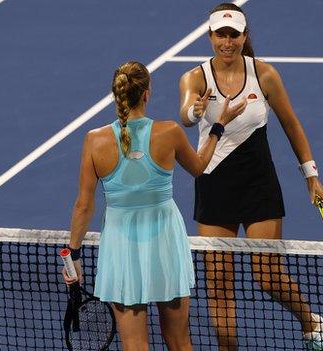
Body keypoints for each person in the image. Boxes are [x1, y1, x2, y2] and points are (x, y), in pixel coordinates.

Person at [62, 61, 247, 351]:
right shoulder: (169, 132)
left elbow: (83, 206)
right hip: (165, 245)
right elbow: (199, 167)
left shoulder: (94, 141)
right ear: (146, 94)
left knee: (134, 344)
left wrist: (72, 255)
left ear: (116, 95)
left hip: (122, 249)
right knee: (178, 341)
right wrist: (217, 127)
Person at [178, 3, 323, 351]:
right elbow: (186, 112)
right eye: (221, 34)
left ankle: (311, 322)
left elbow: (291, 124)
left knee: (268, 276)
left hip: (259, 185)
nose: (227, 42)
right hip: (214, 186)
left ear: (244, 36)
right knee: (218, 284)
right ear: (210, 36)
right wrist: (195, 110)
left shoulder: (265, 75)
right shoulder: (195, 78)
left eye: (234, 35)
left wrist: (311, 175)